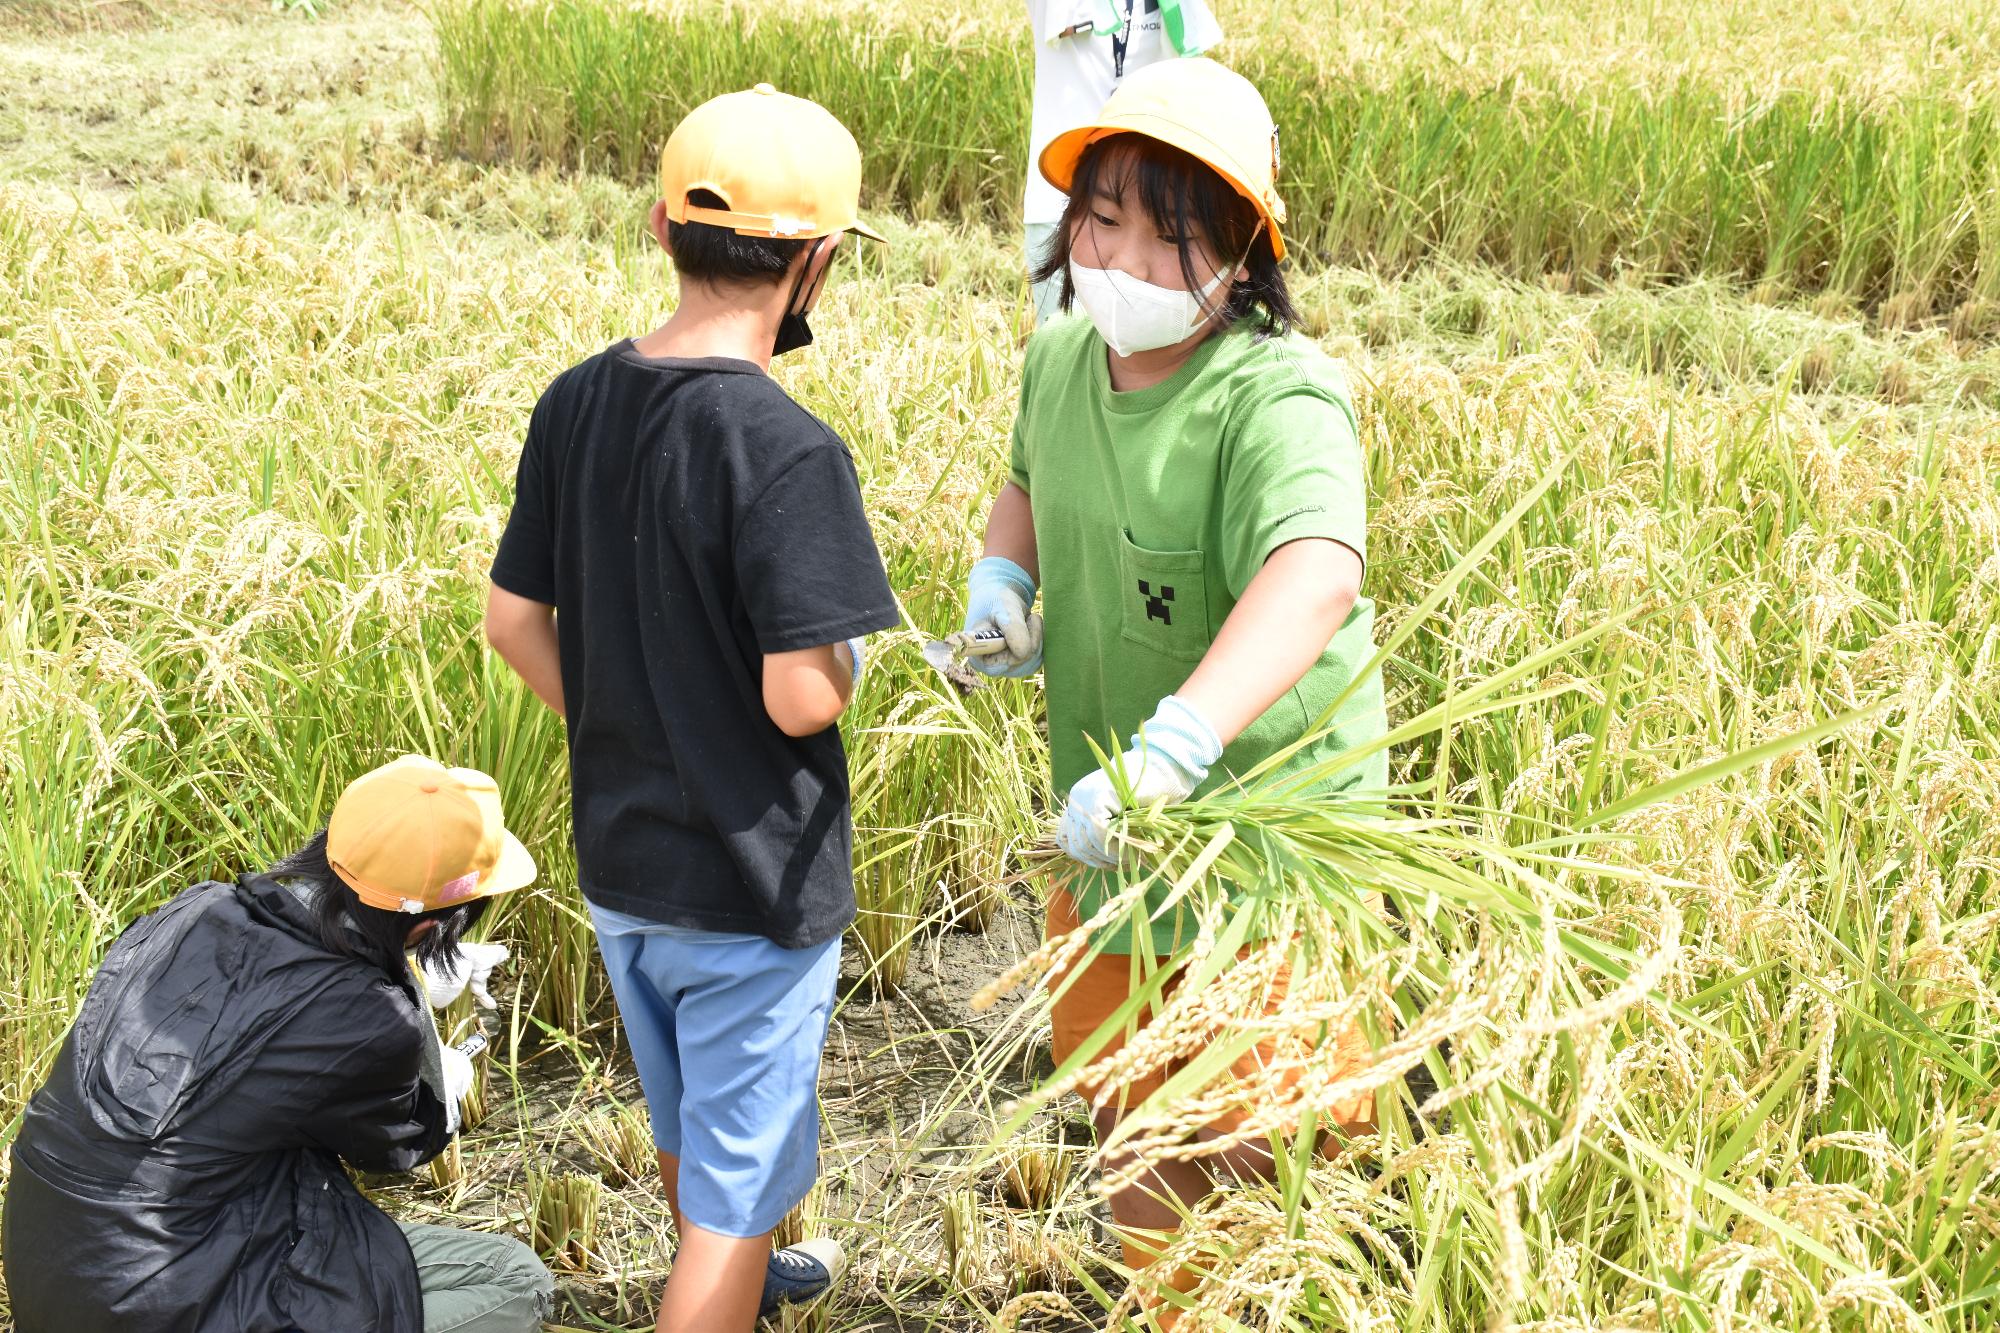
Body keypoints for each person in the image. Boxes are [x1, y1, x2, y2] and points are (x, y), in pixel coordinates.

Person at [963, 57, 1389, 1323]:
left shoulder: (1277, 398)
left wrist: (1181, 741)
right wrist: (1002, 578)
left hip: (1257, 843)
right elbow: (1031, 477)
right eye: (1103, 220)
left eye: (1173, 233)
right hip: (1109, 835)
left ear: (1243, 255)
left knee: (1251, 1138)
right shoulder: (1058, 359)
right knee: (1129, 1121)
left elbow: (1312, 574)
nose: (1130, 264)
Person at [482, 83, 901, 1333]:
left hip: (623, 866)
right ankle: (722, 1286)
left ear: (659, 231)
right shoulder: (786, 449)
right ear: (816, 264)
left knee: (686, 1119)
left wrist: (629, 721)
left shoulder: (574, 402)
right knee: (733, 1191)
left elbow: (514, 620)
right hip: (749, 886)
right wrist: (849, 666)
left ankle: (737, 1276)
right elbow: (794, 698)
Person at [1, 755, 555, 1333]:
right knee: (514, 1280)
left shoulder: (195, 908)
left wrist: (404, 971)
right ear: (427, 930)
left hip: (53, 1271)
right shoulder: (369, 1015)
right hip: (166, 1301)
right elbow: (391, 1151)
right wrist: (433, 1056)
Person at [1023, 0, 1221, 325]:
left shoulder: (1177, 8)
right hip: (1057, 202)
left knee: (1136, 359)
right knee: (1063, 351)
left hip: (1147, 219)